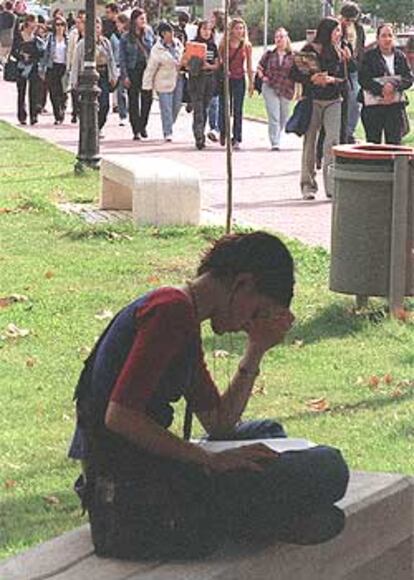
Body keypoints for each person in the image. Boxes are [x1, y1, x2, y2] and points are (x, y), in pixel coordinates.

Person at [69, 231, 349, 560]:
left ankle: (262, 518)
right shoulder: (169, 312)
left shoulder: (183, 316)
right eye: (256, 312)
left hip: (146, 472)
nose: (248, 324)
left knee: (266, 433)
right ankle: (259, 520)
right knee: (330, 466)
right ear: (242, 284)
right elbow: (120, 416)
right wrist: (209, 459)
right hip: (132, 491)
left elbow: (219, 424)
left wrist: (256, 349)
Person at [290, 17, 349, 200]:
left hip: (333, 100)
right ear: (326, 31)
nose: (339, 34)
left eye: (340, 31)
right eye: (336, 30)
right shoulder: (309, 50)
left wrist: (333, 79)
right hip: (313, 99)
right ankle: (308, 185)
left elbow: (345, 80)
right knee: (310, 142)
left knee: (332, 141)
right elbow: (294, 73)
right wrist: (312, 80)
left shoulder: (340, 51)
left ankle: (331, 186)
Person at [359, 23, 413, 145]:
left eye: (390, 35)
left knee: (394, 145)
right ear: (377, 38)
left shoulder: (400, 56)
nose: (387, 39)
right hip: (373, 107)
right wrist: (382, 89)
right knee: (373, 145)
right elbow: (363, 79)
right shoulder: (369, 57)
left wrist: (393, 86)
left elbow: (408, 78)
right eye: (383, 36)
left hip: (394, 107)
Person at [71, 17, 117, 138]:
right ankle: (91, 128)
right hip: (87, 76)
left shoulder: (105, 42)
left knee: (104, 104)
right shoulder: (82, 44)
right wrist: (74, 80)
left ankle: (99, 126)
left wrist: (113, 75)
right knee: (89, 104)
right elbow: (76, 62)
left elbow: (111, 59)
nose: (96, 30)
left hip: (102, 75)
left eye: (98, 27)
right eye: (93, 27)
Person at [142, 21, 184, 142]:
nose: (172, 34)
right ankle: (167, 132)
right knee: (166, 107)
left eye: (172, 31)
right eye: (169, 32)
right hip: (163, 82)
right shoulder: (157, 49)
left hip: (178, 79)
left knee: (176, 106)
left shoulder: (178, 45)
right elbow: (150, 68)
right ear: (163, 34)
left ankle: (169, 124)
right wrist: (147, 86)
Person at [256, 27, 295, 151]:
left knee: (284, 115)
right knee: (274, 115)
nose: (279, 39)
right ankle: (275, 142)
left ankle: (278, 134)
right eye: (277, 37)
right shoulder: (269, 54)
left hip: (286, 88)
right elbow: (259, 67)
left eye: (281, 37)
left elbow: (299, 72)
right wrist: (263, 77)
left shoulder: (293, 56)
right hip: (270, 87)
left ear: (286, 39)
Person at [218, 17, 254, 150]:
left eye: (242, 28)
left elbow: (249, 66)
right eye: (237, 28)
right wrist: (224, 68)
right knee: (225, 108)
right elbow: (220, 60)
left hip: (239, 79)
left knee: (238, 109)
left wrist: (251, 83)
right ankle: (223, 131)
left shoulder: (247, 46)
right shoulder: (224, 44)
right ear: (231, 30)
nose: (240, 31)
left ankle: (237, 137)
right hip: (226, 79)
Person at [119, 8, 154, 140]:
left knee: (147, 99)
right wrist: (125, 76)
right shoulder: (126, 37)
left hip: (147, 69)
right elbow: (122, 58)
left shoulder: (149, 33)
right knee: (133, 100)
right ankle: (135, 129)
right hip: (133, 70)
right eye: (141, 19)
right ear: (134, 21)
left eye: (144, 18)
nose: (143, 21)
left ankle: (142, 124)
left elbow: (154, 51)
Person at [186, 19, 219, 150]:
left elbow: (217, 64)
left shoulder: (213, 46)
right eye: (204, 29)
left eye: (209, 29)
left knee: (204, 107)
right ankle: (199, 136)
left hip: (209, 79)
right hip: (196, 78)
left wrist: (209, 65)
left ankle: (201, 132)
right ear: (199, 30)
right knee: (198, 107)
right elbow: (184, 61)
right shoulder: (193, 44)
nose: (206, 32)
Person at [11, 13, 45, 125]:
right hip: (21, 67)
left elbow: (40, 53)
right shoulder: (19, 36)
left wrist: (34, 56)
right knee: (21, 92)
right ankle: (22, 116)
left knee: (33, 92)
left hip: (33, 67)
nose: (35, 25)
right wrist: (21, 56)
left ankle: (33, 116)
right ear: (28, 22)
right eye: (33, 22)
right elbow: (13, 51)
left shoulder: (36, 39)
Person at [340, 2, 365, 144]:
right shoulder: (337, 27)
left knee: (356, 100)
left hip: (354, 68)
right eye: (347, 19)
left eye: (352, 20)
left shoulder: (359, 29)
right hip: (340, 68)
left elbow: (360, 48)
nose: (349, 23)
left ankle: (349, 132)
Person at [41, 16, 68, 124]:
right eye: (57, 24)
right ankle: (58, 115)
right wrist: (42, 68)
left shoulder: (68, 39)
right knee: (53, 92)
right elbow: (45, 54)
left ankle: (62, 108)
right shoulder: (51, 38)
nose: (59, 27)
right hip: (52, 67)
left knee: (63, 92)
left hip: (64, 67)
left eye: (62, 24)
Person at [206, 8, 225, 142]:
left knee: (218, 100)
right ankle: (215, 127)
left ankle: (218, 128)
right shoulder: (209, 33)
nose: (211, 21)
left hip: (221, 70)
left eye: (213, 18)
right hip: (211, 69)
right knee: (213, 100)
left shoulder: (224, 34)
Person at [110, 12, 129, 127]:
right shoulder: (114, 36)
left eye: (118, 23)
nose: (117, 25)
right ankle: (123, 115)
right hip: (117, 66)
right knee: (120, 92)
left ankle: (130, 113)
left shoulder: (129, 36)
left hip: (128, 66)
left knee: (130, 92)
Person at [67, 10, 85, 123]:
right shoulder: (73, 34)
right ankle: (75, 112)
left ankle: (80, 111)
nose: (78, 24)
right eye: (77, 22)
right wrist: (69, 65)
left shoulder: (89, 35)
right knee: (74, 90)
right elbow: (70, 50)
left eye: (81, 22)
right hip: (75, 66)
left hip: (85, 67)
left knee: (83, 92)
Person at [0, 1, 16, 65]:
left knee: (1, 55)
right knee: (5, 57)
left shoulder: (1, 15)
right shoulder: (14, 16)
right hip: (9, 36)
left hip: (2, 36)